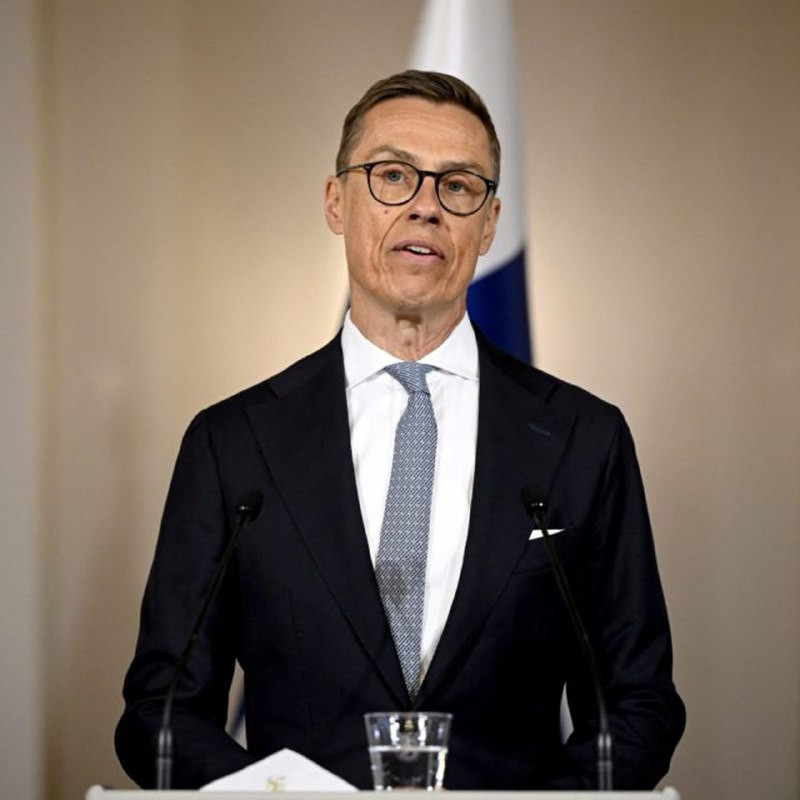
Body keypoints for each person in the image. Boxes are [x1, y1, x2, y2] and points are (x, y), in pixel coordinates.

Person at [115, 70, 685, 790]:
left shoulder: (584, 439)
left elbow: (638, 707)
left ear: (488, 224)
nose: (424, 207)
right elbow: (161, 714)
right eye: (392, 176)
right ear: (336, 201)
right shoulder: (233, 444)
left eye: (457, 186)